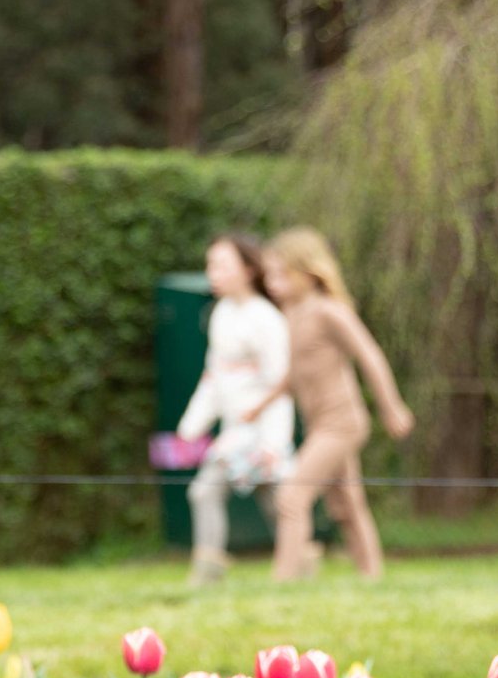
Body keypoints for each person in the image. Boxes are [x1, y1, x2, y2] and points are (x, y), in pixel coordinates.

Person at [247, 227, 412, 581]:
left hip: (342, 422)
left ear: (309, 274)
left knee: (292, 496)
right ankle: (372, 576)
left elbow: (369, 356)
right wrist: (261, 405)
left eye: (281, 274)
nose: (272, 283)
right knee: (347, 505)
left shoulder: (329, 312)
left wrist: (391, 406)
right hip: (319, 423)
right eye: (269, 275)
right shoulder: (290, 313)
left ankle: (284, 578)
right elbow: (296, 373)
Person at [174, 233, 293, 586]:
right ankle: (209, 568)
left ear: (248, 269)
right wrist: (190, 427)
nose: (213, 273)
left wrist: (274, 442)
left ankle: (297, 563)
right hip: (234, 432)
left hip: (262, 432)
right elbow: (214, 378)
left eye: (222, 265)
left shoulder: (267, 318)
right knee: (207, 491)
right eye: (210, 265)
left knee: (279, 503)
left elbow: (280, 385)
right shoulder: (221, 314)